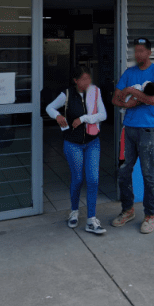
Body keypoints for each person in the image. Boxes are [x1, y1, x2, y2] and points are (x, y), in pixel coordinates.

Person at [111, 38, 154, 234]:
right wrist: (127, 103)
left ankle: (149, 215)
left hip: (148, 130)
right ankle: (128, 210)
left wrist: (131, 91)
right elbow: (115, 99)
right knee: (124, 171)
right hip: (129, 129)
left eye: (141, 51)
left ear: (149, 52)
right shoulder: (129, 72)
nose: (138, 54)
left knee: (148, 174)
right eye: (136, 51)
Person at [46, 67, 107, 234]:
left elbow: (103, 115)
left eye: (89, 79)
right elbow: (49, 108)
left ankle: (91, 220)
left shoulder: (95, 92)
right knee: (78, 178)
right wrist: (57, 116)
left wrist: (84, 118)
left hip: (92, 142)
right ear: (75, 80)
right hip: (73, 143)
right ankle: (74, 211)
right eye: (84, 79)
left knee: (93, 179)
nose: (87, 82)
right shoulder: (67, 94)